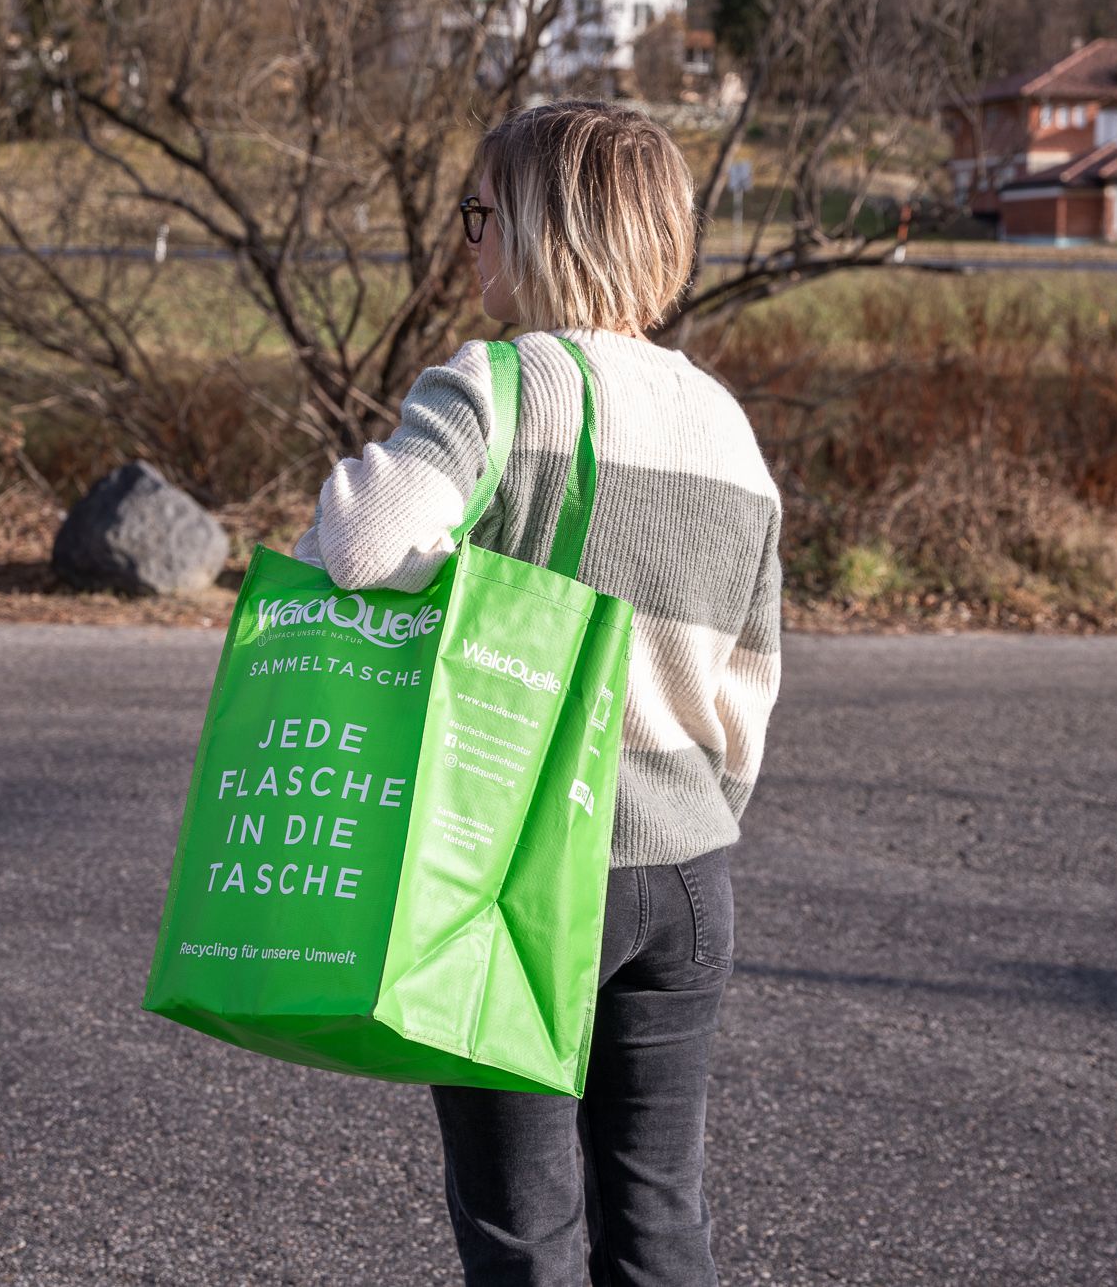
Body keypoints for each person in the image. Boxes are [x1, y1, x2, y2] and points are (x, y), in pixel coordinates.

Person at [292, 99, 783, 1286]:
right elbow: (749, 676)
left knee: (524, 1231)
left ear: (538, 230)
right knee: (660, 1222)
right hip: (685, 868)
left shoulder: (497, 387)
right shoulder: (724, 424)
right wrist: (687, 812)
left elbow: (360, 548)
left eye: (479, 215)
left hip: (516, 867)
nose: (465, 242)